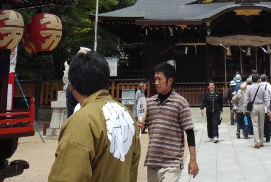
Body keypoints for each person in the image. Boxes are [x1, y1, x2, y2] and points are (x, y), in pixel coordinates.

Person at [48, 49, 141, 182]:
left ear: (71, 85)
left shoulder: (82, 120)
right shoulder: (127, 115)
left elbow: (67, 176)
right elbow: (133, 169)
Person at [142, 61, 199, 181]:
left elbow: (189, 132)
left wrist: (193, 160)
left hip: (172, 163)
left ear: (170, 81)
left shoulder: (180, 103)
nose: (156, 83)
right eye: (155, 79)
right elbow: (143, 126)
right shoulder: (150, 103)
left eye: (159, 79)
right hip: (152, 162)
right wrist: (139, 125)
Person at [245, 72, 271, 148]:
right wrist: (268, 109)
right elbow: (266, 98)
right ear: (259, 80)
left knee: (255, 124)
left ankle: (257, 141)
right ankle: (261, 141)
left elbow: (246, 99)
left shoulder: (249, 88)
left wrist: (245, 107)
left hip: (253, 106)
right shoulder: (262, 87)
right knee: (261, 124)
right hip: (262, 105)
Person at [260, 74, 271, 142]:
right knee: (266, 123)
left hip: (259, 105)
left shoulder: (259, 85)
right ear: (266, 79)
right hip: (266, 106)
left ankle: (261, 137)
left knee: (260, 123)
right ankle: (267, 137)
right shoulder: (268, 85)